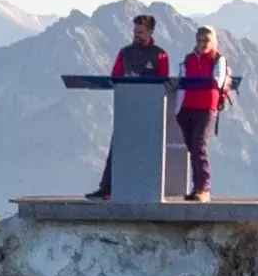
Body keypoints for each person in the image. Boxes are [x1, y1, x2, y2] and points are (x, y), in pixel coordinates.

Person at [87, 13, 169, 199]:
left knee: (148, 150)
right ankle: (107, 188)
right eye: (135, 31)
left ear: (149, 32)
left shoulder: (160, 54)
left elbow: (163, 81)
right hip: (127, 109)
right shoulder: (125, 53)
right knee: (118, 148)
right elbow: (115, 76)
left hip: (150, 112)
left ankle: (147, 189)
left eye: (140, 32)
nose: (136, 35)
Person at [177, 25, 233, 201]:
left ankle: (204, 188)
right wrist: (178, 111)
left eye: (206, 40)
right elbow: (181, 81)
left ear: (213, 41)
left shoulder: (218, 59)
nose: (202, 44)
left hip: (207, 107)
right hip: (187, 107)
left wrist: (197, 83)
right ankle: (197, 187)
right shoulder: (188, 59)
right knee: (192, 147)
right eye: (199, 40)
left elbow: (217, 81)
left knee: (198, 143)